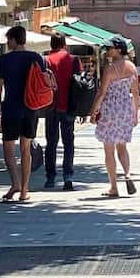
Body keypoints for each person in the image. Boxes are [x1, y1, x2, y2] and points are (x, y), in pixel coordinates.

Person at [0, 23, 47, 203]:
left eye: (8, 40)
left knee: (8, 148)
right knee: (25, 149)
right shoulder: (36, 57)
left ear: (14, 40)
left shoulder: (5, 60)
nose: (8, 43)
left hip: (10, 108)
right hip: (30, 108)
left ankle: (15, 183)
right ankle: (24, 189)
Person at [89, 35, 139, 198]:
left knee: (109, 149)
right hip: (125, 108)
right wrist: (135, 114)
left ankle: (114, 187)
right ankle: (128, 174)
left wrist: (93, 111)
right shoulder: (132, 67)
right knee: (122, 147)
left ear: (118, 49)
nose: (107, 51)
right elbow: (135, 92)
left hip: (110, 108)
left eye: (109, 48)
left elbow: (102, 92)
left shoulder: (110, 68)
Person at [44, 32, 82, 191]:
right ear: (65, 44)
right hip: (69, 105)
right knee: (68, 142)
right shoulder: (73, 60)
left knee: (51, 143)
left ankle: (50, 177)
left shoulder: (46, 60)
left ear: (51, 44)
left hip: (50, 105)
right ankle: (68, 176)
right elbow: (80, 84)